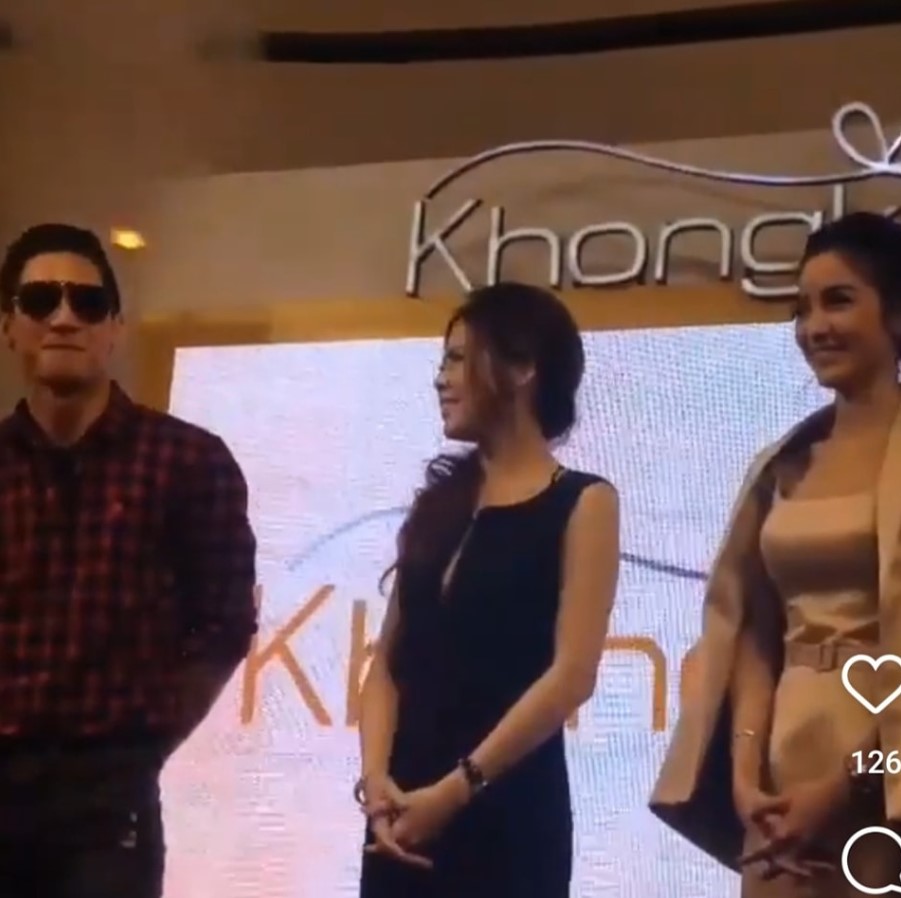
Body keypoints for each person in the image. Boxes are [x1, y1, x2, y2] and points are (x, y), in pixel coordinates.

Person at [0, 223, 258, 897]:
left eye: (87, 303)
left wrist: (145, 747)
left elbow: (224, 624)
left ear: (113, 329)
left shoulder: (187, 461)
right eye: (40, 301)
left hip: (109, 798)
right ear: (9, 327)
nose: (64, 318)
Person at [650, 211, 901, 896]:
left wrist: (845, 786)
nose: (815, 326)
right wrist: (744, 775)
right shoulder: (784, 462)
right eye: (802, 309)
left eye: (838, 301)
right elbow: (756, 631)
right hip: (782, 764)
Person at [355, 281, 620, 898]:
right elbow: (387, 665)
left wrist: (456, 791)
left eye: (456, 359)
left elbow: (571, 676)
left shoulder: (583, 501)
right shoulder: (439, 502)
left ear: (523, 368)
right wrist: (376, 782)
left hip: (508, 813)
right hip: (400, 818)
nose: (441, 379)